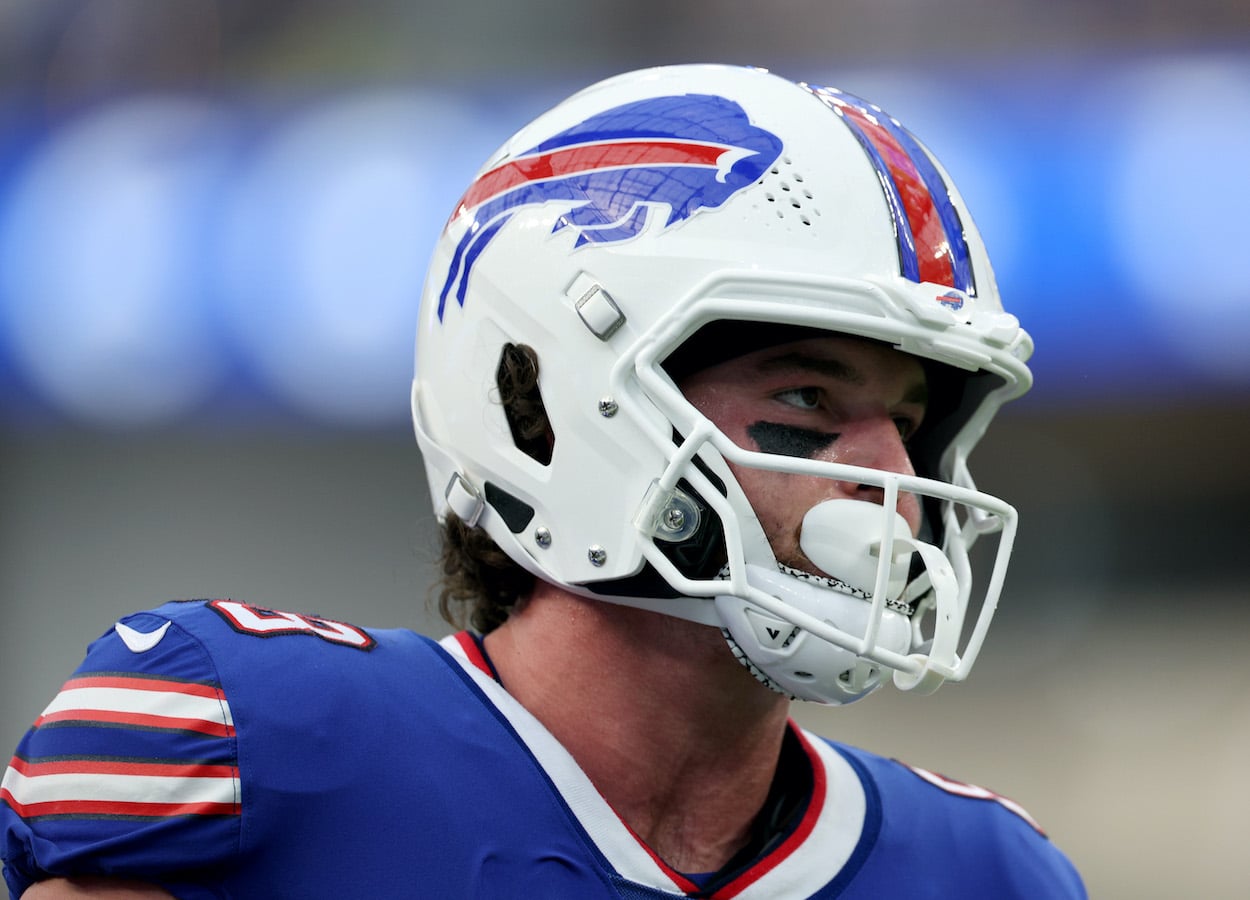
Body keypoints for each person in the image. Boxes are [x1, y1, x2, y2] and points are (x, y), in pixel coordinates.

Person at [1, 64, 1085, 898]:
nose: (893, 478)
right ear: (542, 399)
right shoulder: (248, 746)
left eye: (905, 419)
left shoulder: (983, 872)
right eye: (804, 400)